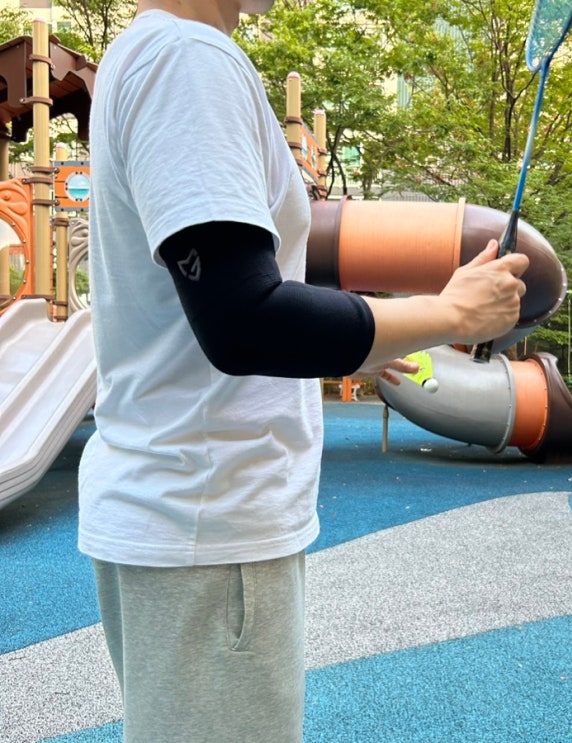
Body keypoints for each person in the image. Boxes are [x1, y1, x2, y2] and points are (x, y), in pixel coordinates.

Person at [77, 1, 529, 741]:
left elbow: (226, 306)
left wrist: (377, 338)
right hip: (208, 518)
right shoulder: (187, 61)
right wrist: (451, 313)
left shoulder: (152, 54)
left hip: (184, 512)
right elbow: (245, 321)